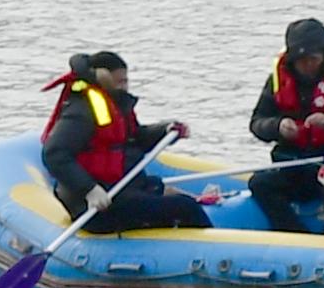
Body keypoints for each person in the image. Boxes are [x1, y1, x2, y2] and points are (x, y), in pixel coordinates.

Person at [39, 53, 207, 231]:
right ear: (103, 78)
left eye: (126, 81)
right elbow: (54, 153)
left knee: (160, 188)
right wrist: (89, 189)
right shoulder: (82, 111)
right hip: (96, 204)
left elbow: (134, 139)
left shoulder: (117, 105)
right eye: (119, 81)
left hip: (120, 188)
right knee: (186, 208)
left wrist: (165, 130)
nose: (124, 87)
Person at [245, 18, 324, 232]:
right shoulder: (278, 80)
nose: (308, 65)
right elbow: (257, 122)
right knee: (260, 183)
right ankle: (293, 233)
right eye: (301, 60)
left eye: (313, 58)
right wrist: (278, 126)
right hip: (293, 163)